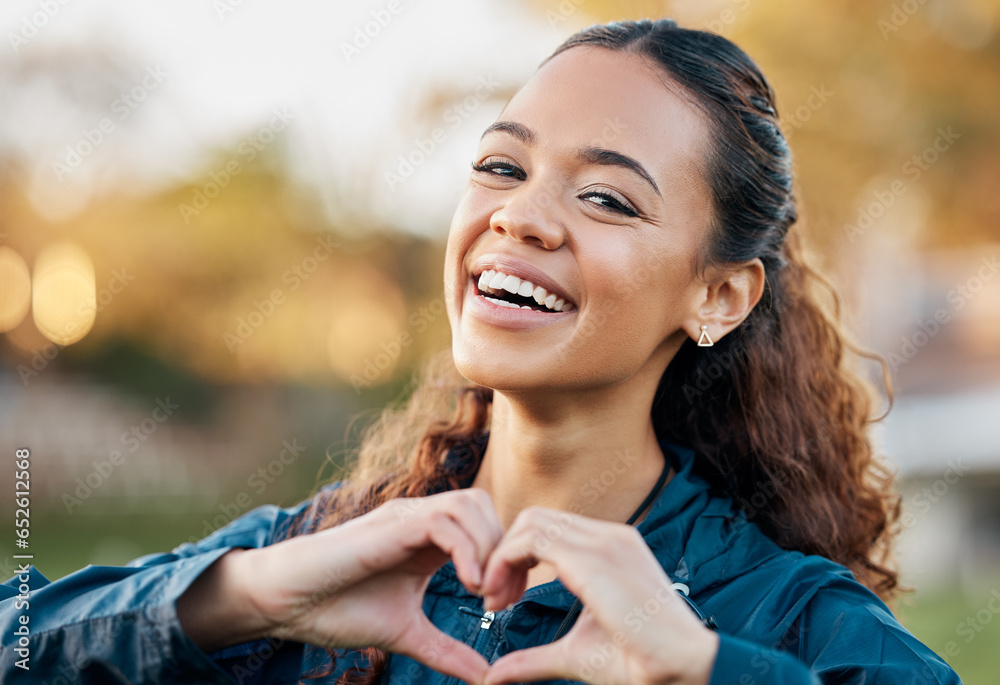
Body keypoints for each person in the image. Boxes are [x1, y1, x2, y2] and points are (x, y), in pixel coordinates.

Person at [0, 18, 964, 685]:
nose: (522, 215)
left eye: (607, 198)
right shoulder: (327, 558)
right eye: (502, 166)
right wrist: (246, 595)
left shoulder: (785, 616)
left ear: (717, 294)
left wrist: (707, 670)